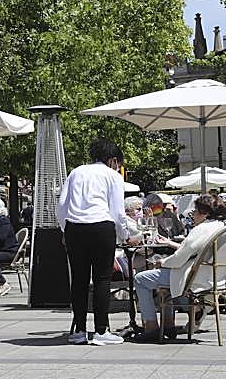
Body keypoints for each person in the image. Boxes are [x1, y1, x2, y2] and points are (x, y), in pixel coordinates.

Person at [57, 138, 138, 346]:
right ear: (112, 160)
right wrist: (124, 235)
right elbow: (118, 211)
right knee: (102, 279)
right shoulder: (112, 176)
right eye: (118, 164)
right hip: (101, 226)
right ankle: (101, 330)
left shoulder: (76, 172)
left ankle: (80, 331)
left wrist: (65, 229)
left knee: (79, 280)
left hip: (75, 227)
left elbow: (62, 205)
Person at [133, 194, 226, 342]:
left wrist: (163, 262)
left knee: (140, 279)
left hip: (193, 278)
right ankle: (168, 325)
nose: (193, 215)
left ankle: (151, 327)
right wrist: (171, 246)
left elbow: (181, 257)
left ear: (205, 214)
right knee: (162, 277)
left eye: (195, 211)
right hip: (214, 277)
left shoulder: (202, 229)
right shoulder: (220, 227)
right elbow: (194, 251)